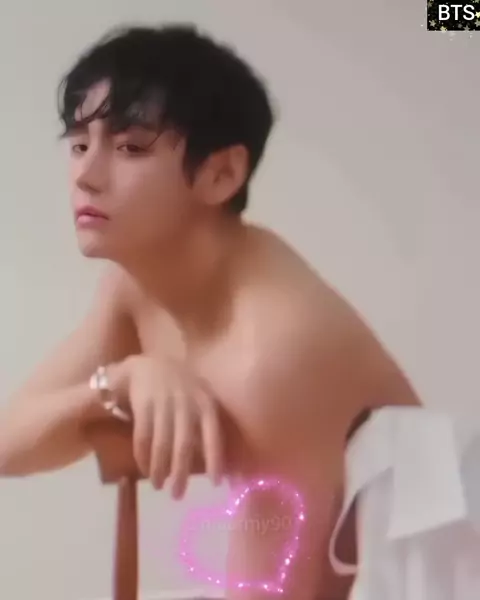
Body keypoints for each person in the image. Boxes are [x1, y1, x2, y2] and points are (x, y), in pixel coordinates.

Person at [0, 24, 420, 600]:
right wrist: (121, 382)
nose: (86, 175)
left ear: (221, 174)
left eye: (130, 147)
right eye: (78, 144)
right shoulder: (137, 286)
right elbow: (8, 444)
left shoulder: (273, 353)